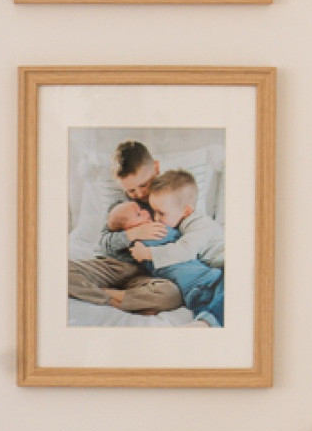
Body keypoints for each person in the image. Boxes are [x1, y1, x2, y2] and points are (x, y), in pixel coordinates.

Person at [68, 138, 182, 313]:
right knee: (60, 271)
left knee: (172, 294)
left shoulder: (166, 200)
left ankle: (115, 296)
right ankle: (113, 300)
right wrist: (134, 233)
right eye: (131, 190)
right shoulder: (120, 205)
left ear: (156, 168)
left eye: (144, 184)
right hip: (112, 266)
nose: (139, 193)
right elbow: (104, 242)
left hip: (143, 274)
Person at [112, 168, 225, 324]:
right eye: (154, 212)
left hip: (227, 264)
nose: (156, 219)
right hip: (211, 274)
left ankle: (207, 323)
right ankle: (205, 320)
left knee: (227, 293)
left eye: (161, 213)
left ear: (186, 211)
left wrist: (149, 253)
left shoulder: (200, 225)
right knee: (204, 299)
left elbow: (184, 251)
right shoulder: (178, 222)